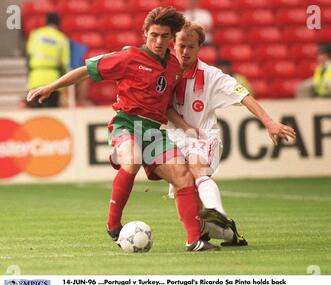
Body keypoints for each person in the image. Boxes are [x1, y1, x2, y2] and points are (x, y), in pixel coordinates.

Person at [27, 7, 219, 252]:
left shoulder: (173, 66)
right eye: (154, 35)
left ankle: (194, 241)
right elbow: (87, 70)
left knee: (183, 176)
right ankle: (113, 224)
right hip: (126, 123)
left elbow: (167, 106)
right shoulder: (129, 57)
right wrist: (51, 86)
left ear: (171, 38)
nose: (159, 41)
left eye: (164, 36)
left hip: (153, 132)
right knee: (132, 159)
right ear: (145, 34)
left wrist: (187, 128)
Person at [166, 21, 296, 245]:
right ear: (173, 44)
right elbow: (164, 106)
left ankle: (216, 210)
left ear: (199, 48)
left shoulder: (212, 76)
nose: (185, 52)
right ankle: (228, 233)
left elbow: (243, 96)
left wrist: (269, 122)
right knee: (190, 214)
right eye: (181, 46)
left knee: (197, 168)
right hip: (176, 138)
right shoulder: (164, 71)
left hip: (203, 136)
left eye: (191, 47)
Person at [26, 12, 70, 108]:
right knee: (52, 112)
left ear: (46, 22)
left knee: (35, 113)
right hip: (53, 81)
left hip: (35, 78)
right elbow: (65, 63)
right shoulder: (62, 38)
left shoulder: (35, 34)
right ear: (59, 23)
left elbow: (29, 55)